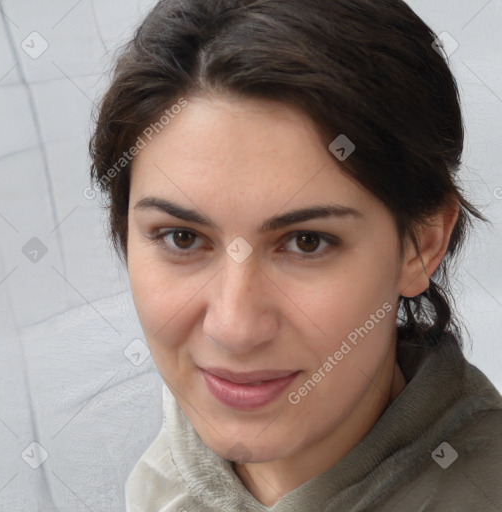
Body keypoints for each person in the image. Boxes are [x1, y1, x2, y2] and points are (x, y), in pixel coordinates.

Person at [89, 0, 502, 510]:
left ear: (422, 244)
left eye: (307, 242)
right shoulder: (159, 480)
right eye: (182, 238)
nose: (234, 328)